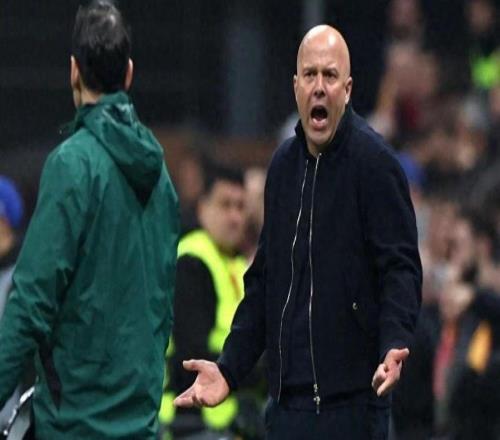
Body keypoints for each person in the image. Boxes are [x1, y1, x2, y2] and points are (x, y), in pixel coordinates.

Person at [174, 25, 422, 439]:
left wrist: (394, 341)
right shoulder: (283, 167)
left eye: (330, 75)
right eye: (310, 75)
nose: (319, 86)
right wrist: (229, 369)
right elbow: (264, 283)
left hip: (354, 408)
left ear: (347, 89)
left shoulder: (375, 164)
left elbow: (401, 268)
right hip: (287, 409)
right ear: (295, 87)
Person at [0, 1, 179, 439]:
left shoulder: (72, 165)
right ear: (129, 74)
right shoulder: (161, 179)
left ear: (73, 71)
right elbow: (160, 310)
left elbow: (31, 301)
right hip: (141, 425)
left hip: (75, 424)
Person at [162, 164, 265, 439]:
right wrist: (256, 369)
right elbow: (190, 354)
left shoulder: (236, 264)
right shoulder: (192, 260)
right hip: (194, 422)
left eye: (241, 207)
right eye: (225, 205)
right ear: (202, 208)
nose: (234, 217)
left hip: (231, 419)